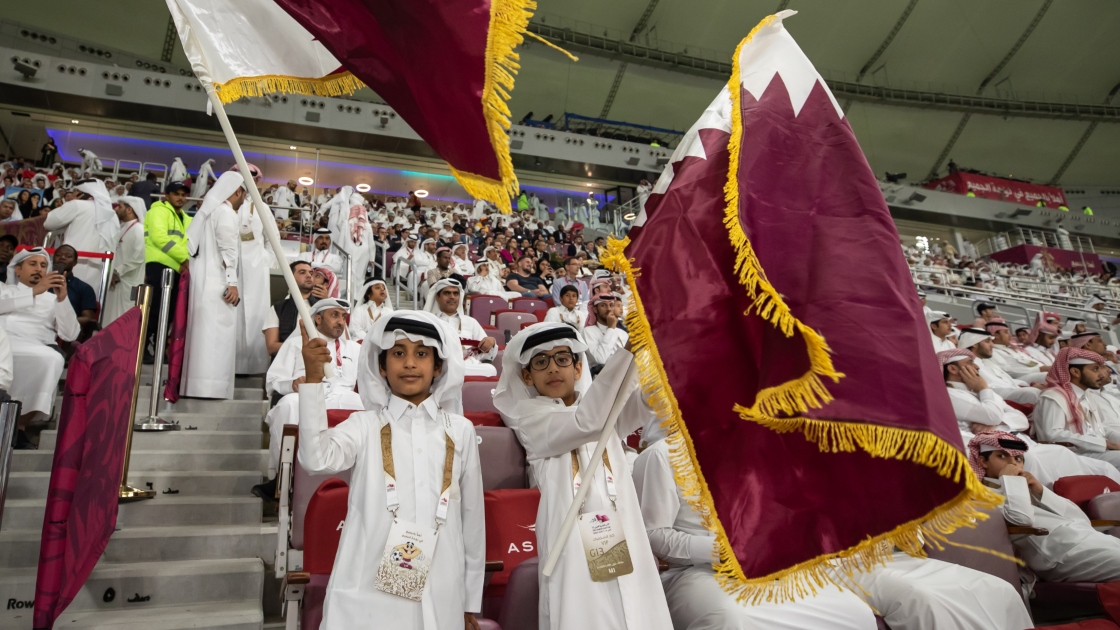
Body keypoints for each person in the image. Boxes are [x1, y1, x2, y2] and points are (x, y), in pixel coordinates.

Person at [297, 311, 485, 629]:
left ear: (439, 366)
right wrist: (314, 380)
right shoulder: (365, 425)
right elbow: (317, 459)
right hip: (367, 587)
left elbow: (473, 520)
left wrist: (469, 602)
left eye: (421, 354)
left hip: (442, 586)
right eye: (398, 353)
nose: (409, 363)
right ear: (382, 367)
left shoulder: (461, 429)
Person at [493, 322, 673, 630]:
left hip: (621, 530)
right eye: (541, 362)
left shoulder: (604, 411)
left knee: (636, 611)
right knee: (583, 613)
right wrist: (627, 352)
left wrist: (662, 352)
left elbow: (646, 402)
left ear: (578, 368)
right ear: (526, 376)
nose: (553, 369)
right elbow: (586, 422)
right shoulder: (531, 420)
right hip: (572, 538)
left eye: (562, 359)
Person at [633, 421, 888, 630]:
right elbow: (651, 535)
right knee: (731, 619)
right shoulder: (662, 455)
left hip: (770, 573)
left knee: (856, 613)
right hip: (695, 574)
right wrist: (724, 551)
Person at [939, 349, 1120, 486]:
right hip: (1003, 451)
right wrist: (984, 390)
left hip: (1023, 442)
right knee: (1037, 459)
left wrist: (995, 424)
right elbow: (991, 413)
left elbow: (1021, 419)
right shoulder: (948, 395)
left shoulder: (983, 394)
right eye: (970, 362)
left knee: (1103, 468)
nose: (977, 367)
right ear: (953, 368)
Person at [972, 431, 1120, 583]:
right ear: (983, 461)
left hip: (1090, 539)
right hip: (1060, 553)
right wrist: (1011, 481)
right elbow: (1021, 519)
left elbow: (1081, 519)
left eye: (1018, 458)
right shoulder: (981, 495)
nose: (1012, 463)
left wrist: (1041, 491)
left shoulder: (1026, 487)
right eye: (1002, 456)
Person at [257, 298, 363, 494]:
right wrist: (292, 384)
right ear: (317, 319)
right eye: (334, 315)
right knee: (288, 405)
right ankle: (282, 477)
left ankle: (362, 474)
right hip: (305, 393)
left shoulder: (356, 349)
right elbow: (273, 380)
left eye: (343, 316)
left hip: (342, 395)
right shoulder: (295, 344)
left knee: (363, 405)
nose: (341, 321)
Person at [2, 248, 80, 444]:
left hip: (36, 345)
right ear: (18, 270)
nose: (39, 269)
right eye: (33, 264)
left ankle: (19, 426)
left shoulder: (53, 298)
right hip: (3, 342)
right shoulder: (4, 290)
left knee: (52, 359)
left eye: (44, 265)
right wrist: (35, 291)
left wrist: (62, 298)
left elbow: (70, 334)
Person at [180, 172, 244, 399]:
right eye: (244, 194)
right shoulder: (225, 212)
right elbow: (228, 251)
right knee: (217, 334)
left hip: (203, 281)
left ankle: (196, 385)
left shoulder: (209, 212)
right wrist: (232, 282)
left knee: (203, 334)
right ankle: (212, 387)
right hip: (217, 281)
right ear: (238, 191)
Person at [1034, 347, 1120, 471]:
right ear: (1075, 372)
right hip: (1073, 456)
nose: (1101, 374)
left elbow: (1099, 430)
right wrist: (1105, 444)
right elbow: (1053, 434)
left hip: (1095, 450)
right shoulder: (1054, 397)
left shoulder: (1086, 395)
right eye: (1095, 369)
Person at [144, 181, 192, 360]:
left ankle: (159, 349)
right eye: (176, 194)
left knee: (170, 312)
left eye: (183, 195)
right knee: (156, 309)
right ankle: (144, 349)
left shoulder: (184, 217)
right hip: (159, 266)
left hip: (176, 268)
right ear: (167, 195)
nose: (180, 198)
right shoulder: (158, 211)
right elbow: (160, 238)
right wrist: (183, 258)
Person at [43, 179, 116, 291]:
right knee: (88, 301)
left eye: (75, 191)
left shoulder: (77, 204)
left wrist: (73, 202)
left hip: (72, 263)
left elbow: (49, 223)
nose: (72, 194)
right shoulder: (112, 214)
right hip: (99, 266)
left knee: (66, 297)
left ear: (81, 192)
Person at [234, 191, 275, 374]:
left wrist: (265, 260)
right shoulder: (227, 206)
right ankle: (232, 364)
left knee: (256, 313)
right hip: (232, 267)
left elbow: (272, 238)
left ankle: (254, 365)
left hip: (257, 270)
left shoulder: (262, 207)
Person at [424, 278, 497, 377]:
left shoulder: (471, 322)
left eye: (455, 293)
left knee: (490, 370)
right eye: (447, 293)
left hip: (468, 365)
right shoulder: (429, 321)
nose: (452, 297)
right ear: (437, 297)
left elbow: (486, 355)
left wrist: (490, 342)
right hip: (440, 365)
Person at [957, 328, 1039, 405]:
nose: (992, 345)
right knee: (1033, 393)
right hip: (995, 395)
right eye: (987, 341)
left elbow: (1006, 380)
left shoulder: (987, 361)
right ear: (974, 344)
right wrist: (1022, 389)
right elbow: (983, 388)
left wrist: (1027, 385)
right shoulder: (967, 365)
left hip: (1012, 389)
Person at [264, 261, 326, 355]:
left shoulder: (322, 307)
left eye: (311, 273)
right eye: (302, 272)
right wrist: (304, 346)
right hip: (287, 364)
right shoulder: (278, 308)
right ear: (290, 277)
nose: (308, 275)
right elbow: (271, 347)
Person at [102, 197, 146, 325]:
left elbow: (139, 257)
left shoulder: (139, 229)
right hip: (116, 279)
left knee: (122, 319)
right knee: (110, 317)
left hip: (128, 282)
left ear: (129, 209)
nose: (116, 209)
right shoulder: (122, 227)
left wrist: (118, 272)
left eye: (119, 206)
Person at [987, 320, 1049, 385]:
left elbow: (1030, 361)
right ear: (996, 335)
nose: (1010, 335)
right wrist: (1039, 369)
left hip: (1035, 372)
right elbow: (1008, 371)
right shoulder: (993, 352)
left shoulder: (1013, 349)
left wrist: (1045, 367)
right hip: (1018, 378)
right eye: (1006, 332)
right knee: (1048, 375)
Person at [51, 245, 97, 328]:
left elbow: (88, 318)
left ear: (75, 262)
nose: (62, 257)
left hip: (67, 331)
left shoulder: (85, 288)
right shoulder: (42, 283)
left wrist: (59, 322)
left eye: (68, 256)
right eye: (58, 255)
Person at [583, 295, 628, 368]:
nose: (609, 309)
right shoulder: (588, 331)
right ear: (595, 309)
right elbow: (600, 359)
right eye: (603, 305)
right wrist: (611, 329)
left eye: (611, 305)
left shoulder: (623, 333)